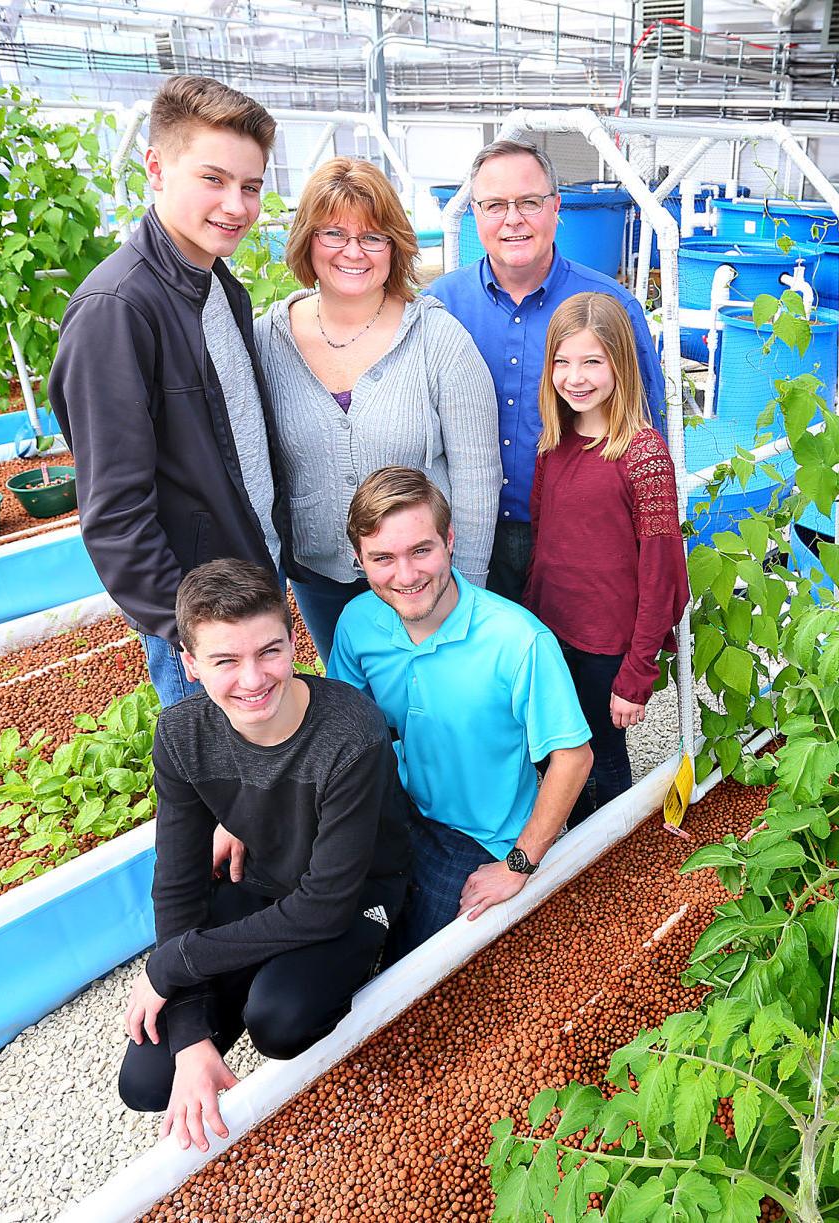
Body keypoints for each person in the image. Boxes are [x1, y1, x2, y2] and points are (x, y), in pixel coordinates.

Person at [117, 559, 410, 1152]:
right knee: (147, 1081)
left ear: (293, 641)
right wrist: (191, 1035)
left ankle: (346, 971)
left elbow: (324, 906)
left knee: (279, 1022)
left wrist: (173, 966)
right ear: (190, 664)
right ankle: (240, 990)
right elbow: (178, 883)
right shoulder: (181, 734)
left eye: (269, 652)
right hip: (265, 881)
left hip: (354, 897)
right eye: (225, 660)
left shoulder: (350, 731)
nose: (252, 679)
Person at [48, 76, 282, 707]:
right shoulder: (118, 308)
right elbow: (114, 511)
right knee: (216, 759)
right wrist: (189, 634)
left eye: (251, 186)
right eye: (214, 179)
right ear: (156, 168)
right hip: (203, 621)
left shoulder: (217, 285)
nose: (236, 205)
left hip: (247, 584)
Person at [328, 466, 591, 959]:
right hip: (398, 803)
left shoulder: (519, 639)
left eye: (420, 550)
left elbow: (574, 758)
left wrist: (519, 864)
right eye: (383, 558)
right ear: (359, 560)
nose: (406, 576)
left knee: (413, 966)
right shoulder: (358, 622)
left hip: (480, 833)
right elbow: (338, 725)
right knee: (344, 946)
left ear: (449, 540)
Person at [257, 157, 500, 666]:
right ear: (306, 241)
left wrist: (466, 595)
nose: (353, 252)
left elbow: (477, 477)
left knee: (430, 698)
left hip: (424, 580)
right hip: (320, 578)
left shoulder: (438, 339)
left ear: (395, 246)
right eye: (333, 233)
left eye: (373, 237)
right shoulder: (267, 340)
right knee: (352, 701)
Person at [426, 140, 669, 605]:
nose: (512, 219)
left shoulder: (610, 307)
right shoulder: (440, 306)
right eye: (495, 205)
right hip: (465, 533)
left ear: (556, 208)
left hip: (576, 538)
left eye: (529, 202)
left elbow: (644, 426)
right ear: (475, 213)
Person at [524, 293, 688, 822]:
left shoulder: (644, 455)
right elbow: (545, 544)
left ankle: (609, 847)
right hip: (552, 635)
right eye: (562, 361)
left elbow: (663, 576)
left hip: (606, 646)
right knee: (558, 751)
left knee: (603, 754)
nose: (575, 378)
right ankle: (568, 838)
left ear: (620, 364)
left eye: (592, 362)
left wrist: (637, 672)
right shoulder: (554, 443)